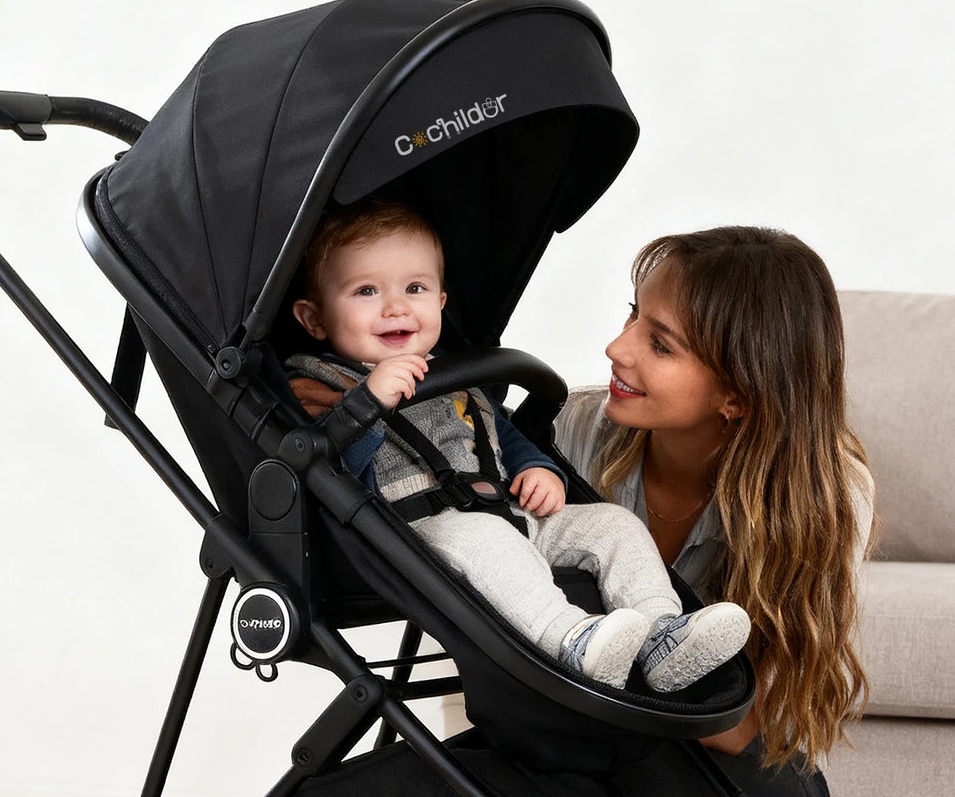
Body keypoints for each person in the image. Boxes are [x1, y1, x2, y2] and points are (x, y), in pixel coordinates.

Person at [548, 224, 876, 797]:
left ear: (738, 395)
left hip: (697, 746)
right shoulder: (576, 434)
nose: (617, 348)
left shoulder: (827, 494)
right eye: (632, 317)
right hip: (576, 730)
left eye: (660, 344)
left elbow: (745, 722)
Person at [286, 199, 753, 693]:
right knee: (486, 539)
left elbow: (501, 435)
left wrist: (537, 469)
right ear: (314, 319)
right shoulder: (319, 387)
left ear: (441, 302)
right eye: (366, 291)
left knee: (614, 524)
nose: (396, 307)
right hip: (418, 535)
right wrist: (365, 406)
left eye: (415, 289)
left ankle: (661, 630)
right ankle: (568, 637)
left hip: (505, 511)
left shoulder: (454, 373)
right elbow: (330, 476)